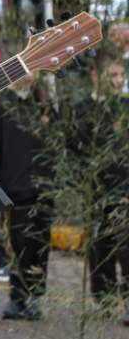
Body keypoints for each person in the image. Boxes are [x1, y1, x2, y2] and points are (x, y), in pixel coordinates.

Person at [0, 74, 53, 321]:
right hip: (15, 188)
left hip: (44, 187)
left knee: (40, 244)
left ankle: (34, 295)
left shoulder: (42, 103)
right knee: (18, 244)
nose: (31, 77)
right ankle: (18, 296)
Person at [69, 54, 128, 322]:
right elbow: (72, 150)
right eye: (112, 75)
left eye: (120, 75)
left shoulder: (125, 107)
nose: (118, 81)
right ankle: (103, 298)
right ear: (96, 76)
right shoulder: (80, 110)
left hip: (124, 190)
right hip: (94, 191)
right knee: (99, 247)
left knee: (126, 247)